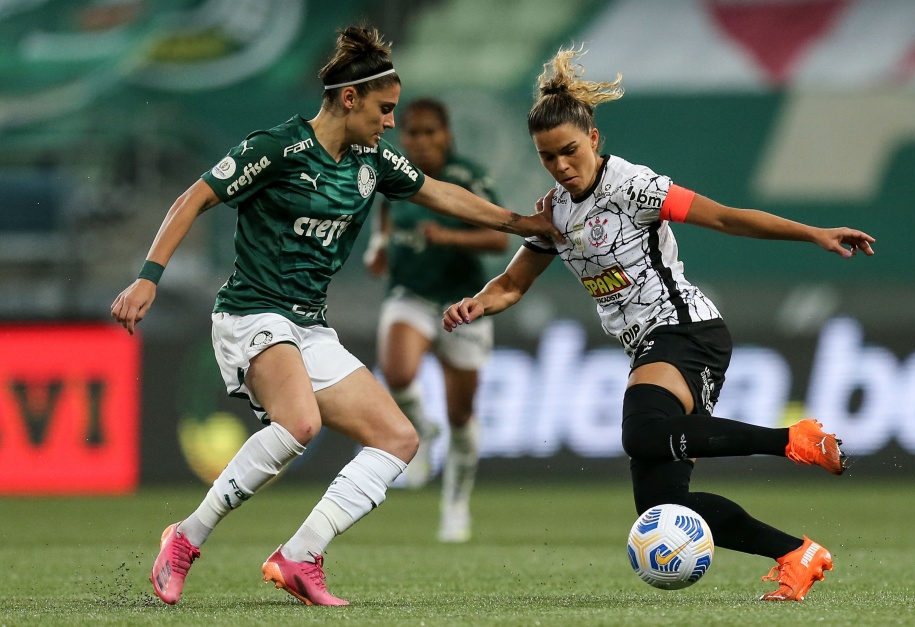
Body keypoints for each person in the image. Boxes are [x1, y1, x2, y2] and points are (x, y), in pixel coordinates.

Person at [110, 25, 561, 608]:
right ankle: (185, 539)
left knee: (398, 439)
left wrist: (519, 223)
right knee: (300, 424)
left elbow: (440, 193)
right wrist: (149, 276)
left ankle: (300, 555)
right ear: (350, 99)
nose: (391, 122)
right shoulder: (276, 148)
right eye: (385, 109)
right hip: (252, 312)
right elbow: (194, 197)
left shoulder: (371, 160)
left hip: (308, 326)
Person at [442, 46, 875, 602]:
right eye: (548, 157)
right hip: (652, 344)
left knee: (640, 431)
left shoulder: (630, 184)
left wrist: (812, 232)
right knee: (663, 507)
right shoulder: (554, 210)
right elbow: (512, 284)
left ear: (593, 140)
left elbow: (723, 217)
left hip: (684, 329)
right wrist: (477, 302)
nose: (561, 165)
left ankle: (796, 439)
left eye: (570, 151)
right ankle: (798, 555)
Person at [363, 98, 508, 542]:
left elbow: (499, 240)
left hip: (464, 304)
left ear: (447, 135)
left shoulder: (467, 177)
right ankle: (422, 429)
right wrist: (379, 249)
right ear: (401, 136)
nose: (421, 142)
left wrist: (448, 236)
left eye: (431, 132)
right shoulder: (392, 175)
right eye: (413, 133)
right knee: (399, 372)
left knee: (461, 414)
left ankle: (456, 503)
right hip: (410, 294)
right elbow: (385, 226)